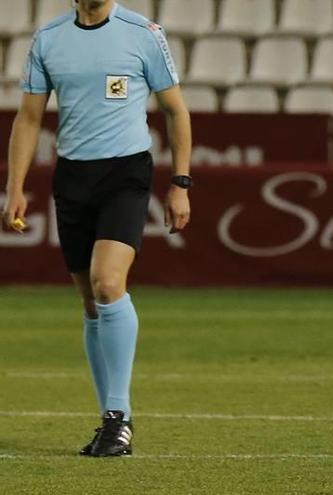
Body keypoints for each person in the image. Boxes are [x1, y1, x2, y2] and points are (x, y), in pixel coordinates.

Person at [2, 0, 191, 457]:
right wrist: (16, 187)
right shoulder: (49, 39)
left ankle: (118, 418)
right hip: (72, 178)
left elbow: (175, 111)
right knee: (90, 303)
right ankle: (110, 417)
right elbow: (29, 118)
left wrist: (180, 182)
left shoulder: (143, 33)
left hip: (125, 174)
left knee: (109, 284)